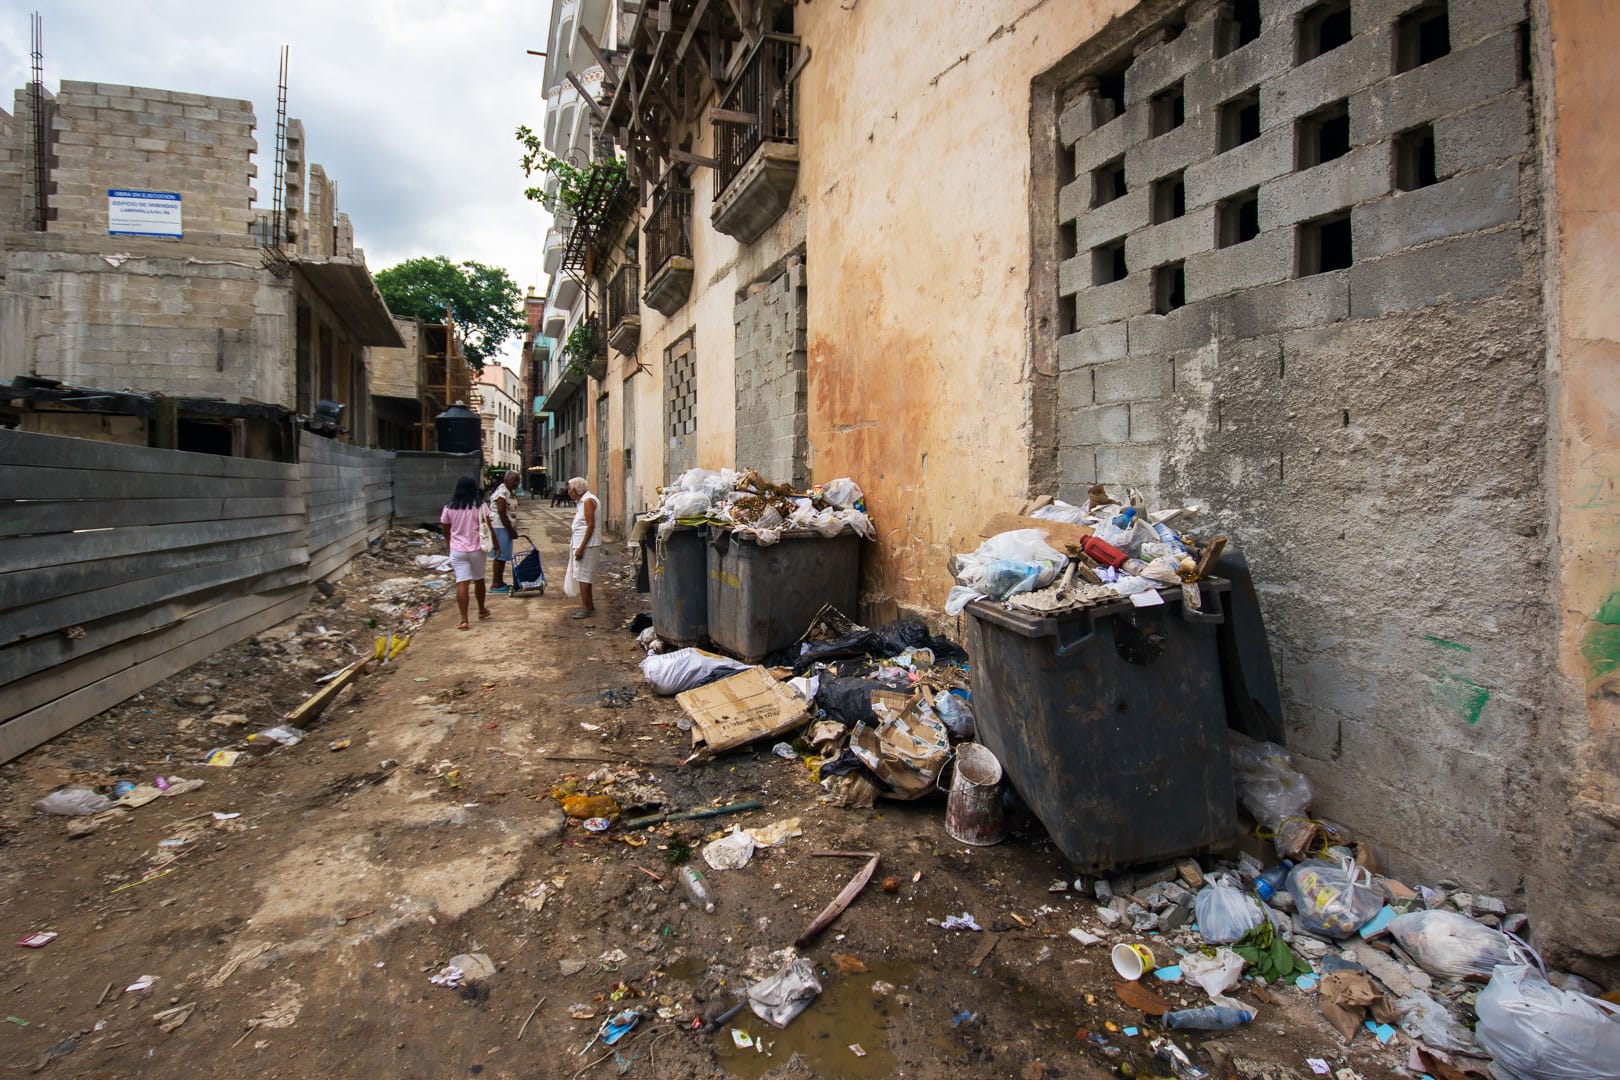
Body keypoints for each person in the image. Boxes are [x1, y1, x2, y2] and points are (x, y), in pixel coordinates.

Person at [440, 475, 492, 631]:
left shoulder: (449, 507)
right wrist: (495, 543)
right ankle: (482, 610)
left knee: (462, 582)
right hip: (477, 549)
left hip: (457, 550)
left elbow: (445, 527)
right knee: (479, 580)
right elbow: (488, 525)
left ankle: (464, 620)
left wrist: (450, 543)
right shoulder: (480, 506)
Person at [566, 476, 602, 619]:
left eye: (570, 489)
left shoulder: (588, 501)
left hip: (587, 544)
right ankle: (589, 605)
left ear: (576, 490)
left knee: (583, 576)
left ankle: (587, 608)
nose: (568, 492)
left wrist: (581, 547)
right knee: (583, 575)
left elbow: (590, 525)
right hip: (584, 543)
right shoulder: (584, 501)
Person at [489, 469, 521, 593]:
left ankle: (499, 582)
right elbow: (502, 513)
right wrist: (511, 530)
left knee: (502, 556)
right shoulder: (502, 492)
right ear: (506, 480)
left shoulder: (509, 491)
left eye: (518, 480)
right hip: (500, 526)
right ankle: (496, 584)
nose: (516, 483)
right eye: (514, 480)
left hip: (504, 527)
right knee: (500, 555)